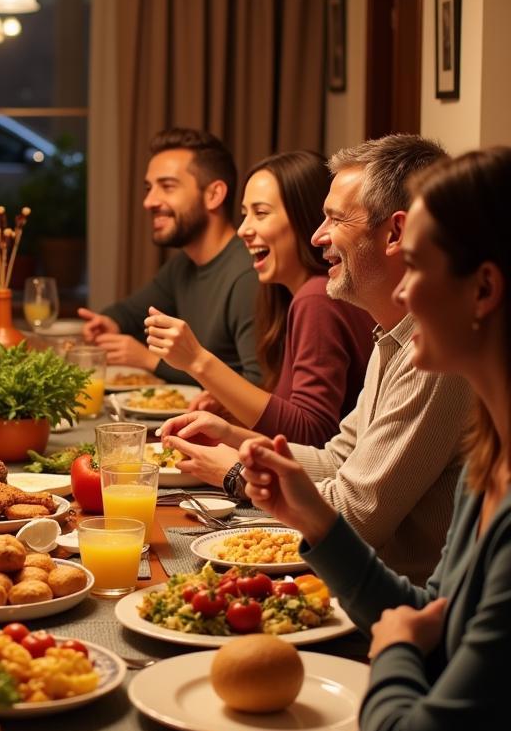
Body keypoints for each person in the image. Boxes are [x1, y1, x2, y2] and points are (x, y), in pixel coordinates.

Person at [238, 148, 511, 731]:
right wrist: (316, 523)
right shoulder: (491, 457)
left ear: (483, 290)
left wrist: (391, 651)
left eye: (416, 267)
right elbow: (432, 616)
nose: (403, 292)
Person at [162, 135, 471, 584]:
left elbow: (355, 516)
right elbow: (337, 459)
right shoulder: (392, 336)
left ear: (396, 233)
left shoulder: (437, 353)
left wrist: (236, 473)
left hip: (396, 602)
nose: (317, 236)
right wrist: (244, 444)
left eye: (335, 219)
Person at [144, 151, 374, 447]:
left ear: (305, 220)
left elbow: (312, 434)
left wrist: (198, 360)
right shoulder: (295, 297)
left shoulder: (316, 298)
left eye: (261, 213)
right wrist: (230, 410)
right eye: (244, 214)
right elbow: (290, 416)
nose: (243, 230)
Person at [77, 127, 261, 386]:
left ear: (214, 195)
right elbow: (129, 312)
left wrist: (149, 360)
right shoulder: (183, 265)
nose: (149, 201)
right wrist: (109, 322)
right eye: (149, 188)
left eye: (167, 186)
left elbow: (257, 386)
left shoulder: (249, 274)